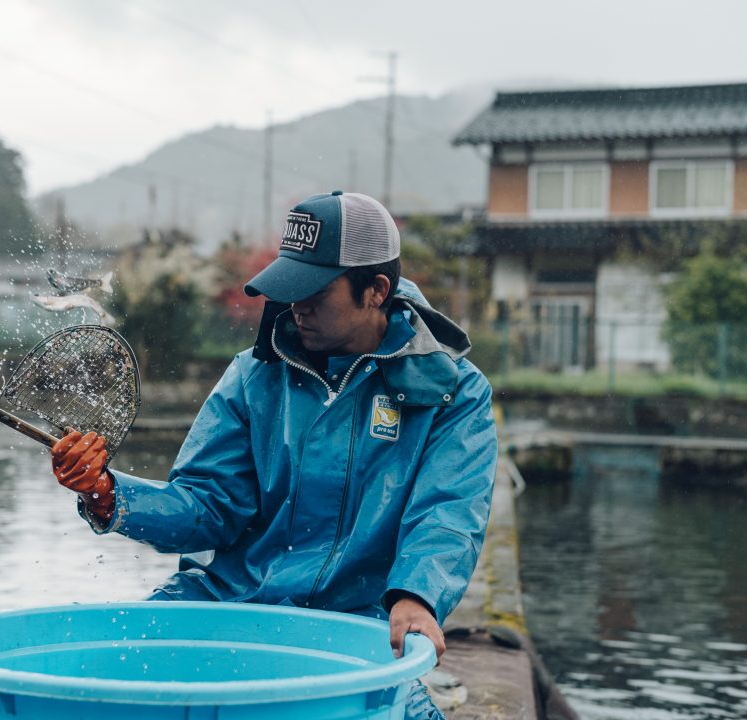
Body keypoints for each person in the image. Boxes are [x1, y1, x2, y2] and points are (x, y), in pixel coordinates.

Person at [51, 191, 498, 719]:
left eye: (314, 292)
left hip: (355, 627)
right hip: (230, 604)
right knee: (91, 682)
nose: (296, 307)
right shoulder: (253, 374)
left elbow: (446, 514)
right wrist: (107, 493)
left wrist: (417, 597)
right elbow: (207, 507)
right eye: (290, 289)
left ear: (376, 290)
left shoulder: (455, 393)